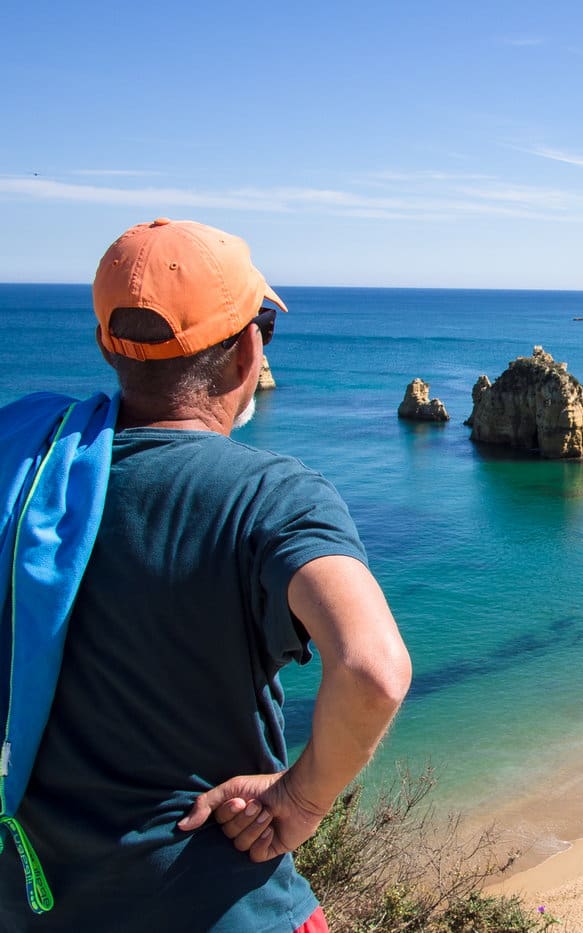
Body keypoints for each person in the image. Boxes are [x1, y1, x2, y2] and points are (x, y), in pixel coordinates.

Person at [0, 219, 412, 932]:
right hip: (221, 903)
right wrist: (303, 800)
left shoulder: (27, 471)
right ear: (248, 349)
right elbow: (373, 669)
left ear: (106, 344)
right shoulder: (277, 496)